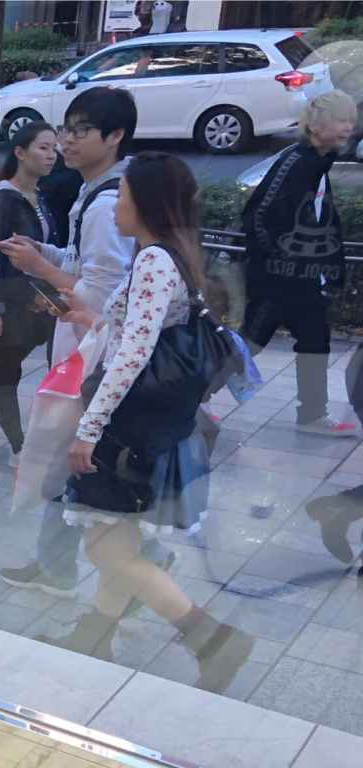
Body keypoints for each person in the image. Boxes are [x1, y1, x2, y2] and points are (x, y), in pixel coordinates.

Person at [56, 152, 254, 693]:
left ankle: (212, 639)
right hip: (150, 424)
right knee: (117, 539)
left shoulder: (153, 262)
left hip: (126, 426)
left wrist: (88, 430)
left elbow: (132, 356)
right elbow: (140, 332)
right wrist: (91, 320)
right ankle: (93, 636)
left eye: (122, 196)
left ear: (144, 203)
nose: (116, 204)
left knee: (106, 547)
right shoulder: (173, 254)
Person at [0, 86, 141, 595]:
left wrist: (42, 268)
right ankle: (60, 566)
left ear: (115, 136)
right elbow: (92, 266)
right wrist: (49, 253)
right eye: (66, 130)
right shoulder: (101, 191)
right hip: (87, 352)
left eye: (81, 131)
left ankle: (131, 571)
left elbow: (101, 296)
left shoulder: (105, 202)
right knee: (67, 463)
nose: (67, 141)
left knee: (70, 461)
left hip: (92, 356)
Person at [240, 89, 357, 436]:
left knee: (315, 339)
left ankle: (312, 416)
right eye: (341, 121)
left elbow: (323, 218)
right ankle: (193, 400)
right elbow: (257, 217)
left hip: (302, 278)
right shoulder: (295, 162)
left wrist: (328, 266)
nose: (349, 128)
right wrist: (280, 259)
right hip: (276, 279)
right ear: (318, 125)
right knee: (250, 342)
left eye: (351, 120)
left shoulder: (320, 160)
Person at [0, 122, 59, 465]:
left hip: (38, 299)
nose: (51, 155)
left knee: (11, 364)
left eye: (53, 148)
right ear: (19, 152)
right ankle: (18, 447)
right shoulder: (4, 199)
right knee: (5, 371)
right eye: (43, 147)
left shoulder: (38, 196)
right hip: (12, 301)